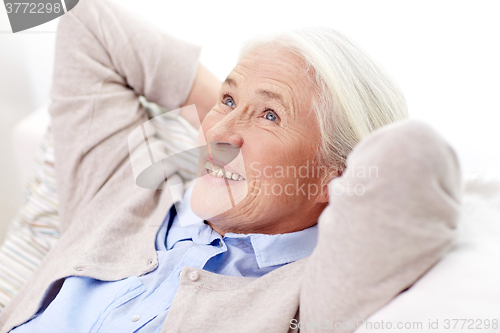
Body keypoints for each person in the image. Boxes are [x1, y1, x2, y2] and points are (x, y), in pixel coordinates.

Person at [0, 0, 461, 331]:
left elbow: (415, 155)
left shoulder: (313, 291)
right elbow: (77, 16)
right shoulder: (127, 188)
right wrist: (240, 115)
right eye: (226, 98)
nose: (218, 131)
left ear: (336, 174)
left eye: (272, 115)